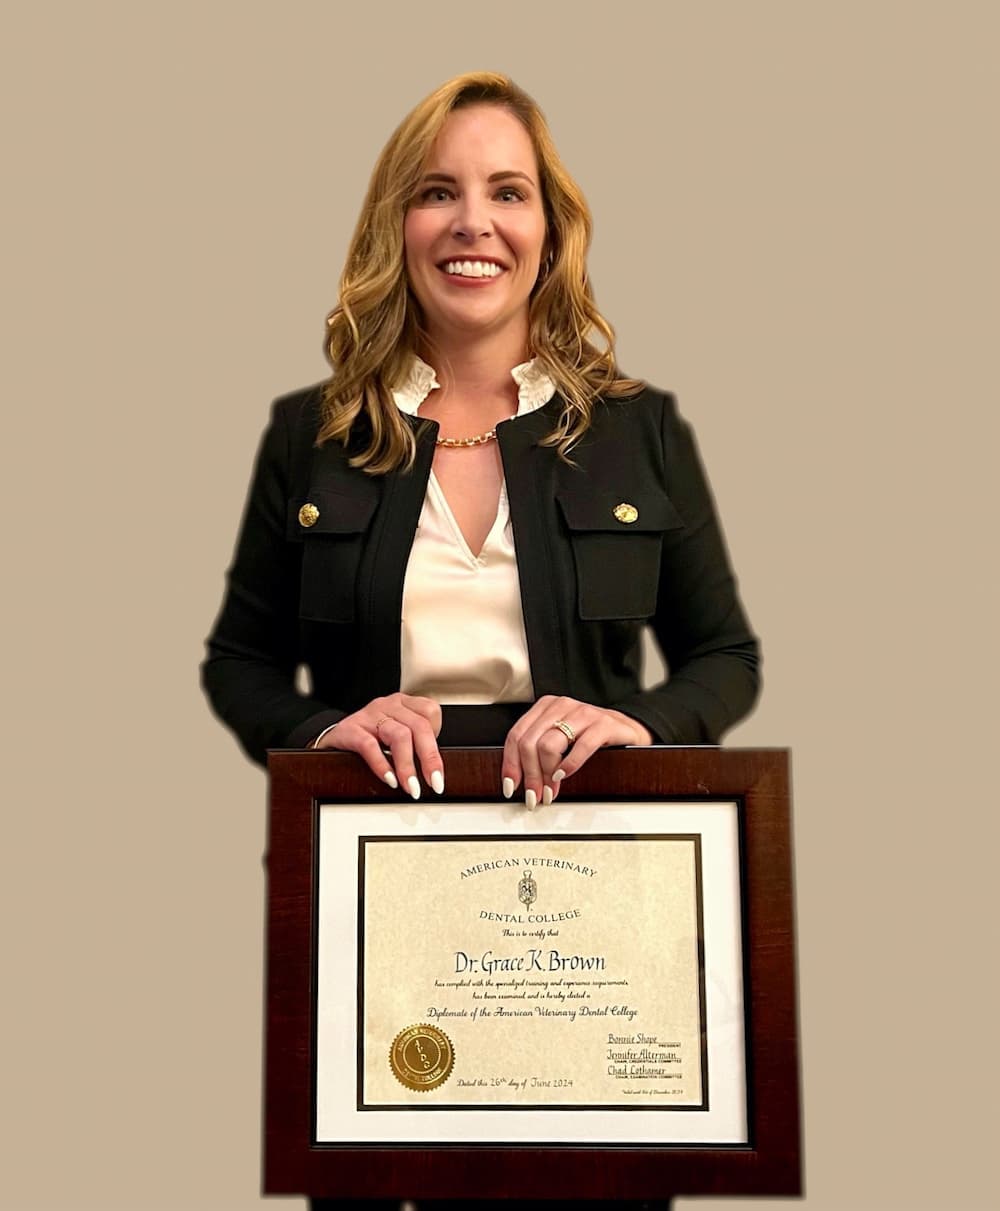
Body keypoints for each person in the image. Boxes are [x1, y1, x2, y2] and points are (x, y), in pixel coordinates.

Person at [202, 71, 760, 1210]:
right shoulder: (308, 434)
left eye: (508, 192)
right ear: (395, 224)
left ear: (549, 229)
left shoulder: (639, 430)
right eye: (436, 192)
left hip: (591, 897)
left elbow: (725, 659)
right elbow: (237, 663)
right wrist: (325, 728)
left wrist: (635, 722)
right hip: (371, 886)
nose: (473, 223)